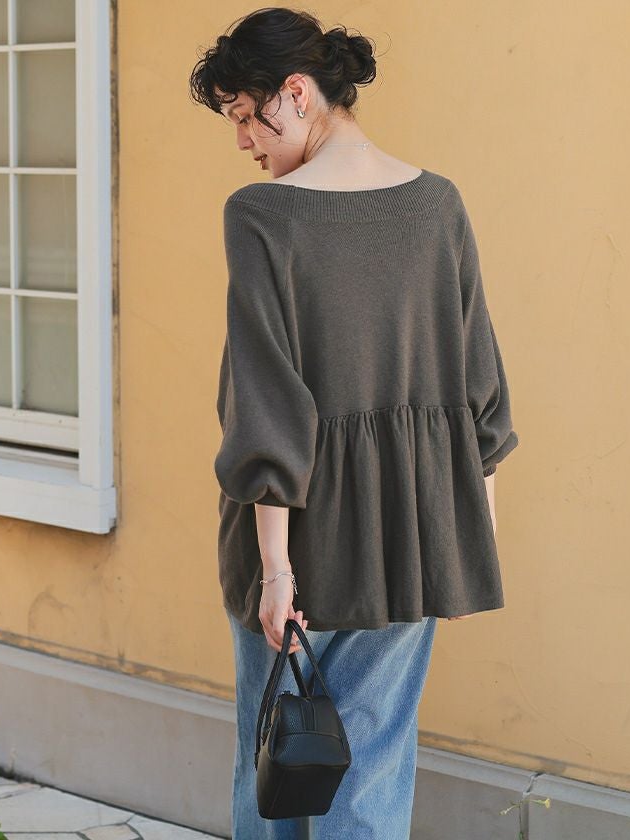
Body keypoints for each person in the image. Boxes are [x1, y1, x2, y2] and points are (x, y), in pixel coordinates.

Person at [189, 8, 519, 838]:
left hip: (297, 536)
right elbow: (480, 386)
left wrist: (275, 571)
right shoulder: (438, 204)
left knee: (275, 770)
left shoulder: (261, 214)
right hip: (412, 531)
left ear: (297, 93)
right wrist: (464, 543)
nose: (243, 141)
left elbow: (266, 404)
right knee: (372, 774)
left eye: (244, 115)